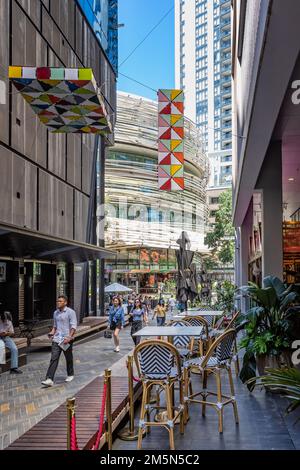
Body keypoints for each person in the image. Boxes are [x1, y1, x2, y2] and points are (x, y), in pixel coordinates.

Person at [41, 295, 77, 387]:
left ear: (65, 302)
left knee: (68, 357)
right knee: (54, 358)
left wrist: (69, 337)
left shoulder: (71, 312)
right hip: (57, 339)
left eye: (60, 301)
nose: (58, 303)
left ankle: (70, 374)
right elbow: (55, 326)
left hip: (66, 339)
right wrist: (51, 333)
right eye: (58, 301)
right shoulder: (55, 313)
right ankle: (49, 379)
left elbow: (73, 326)